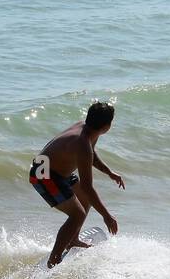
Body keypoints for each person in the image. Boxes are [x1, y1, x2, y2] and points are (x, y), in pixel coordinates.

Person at [29, 102, 123, 268]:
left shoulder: (87, 129)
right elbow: (88, 186)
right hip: (42, 173)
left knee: (84, 200)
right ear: (107, 126)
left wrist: (109, 172)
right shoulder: (83, 143)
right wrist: (107, 216)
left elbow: (91, 154)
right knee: (77, 214)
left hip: (57, 172)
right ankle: (54, 259)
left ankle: (73, 240)